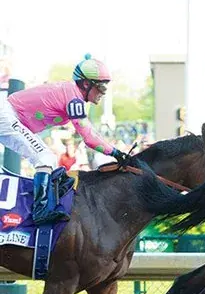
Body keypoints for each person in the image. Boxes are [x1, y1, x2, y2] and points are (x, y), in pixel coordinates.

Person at [0, 54, 129, 224]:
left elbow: (90, 131)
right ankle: (40, 211)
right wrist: (115, 153)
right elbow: (89, 138)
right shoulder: (74, 100)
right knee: (44, 158)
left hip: (11, 116)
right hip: (7, 116)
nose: (103, 93)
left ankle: (45, 206)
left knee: (50, 162)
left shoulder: (73, 94)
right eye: (101, 88)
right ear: (86, 84)